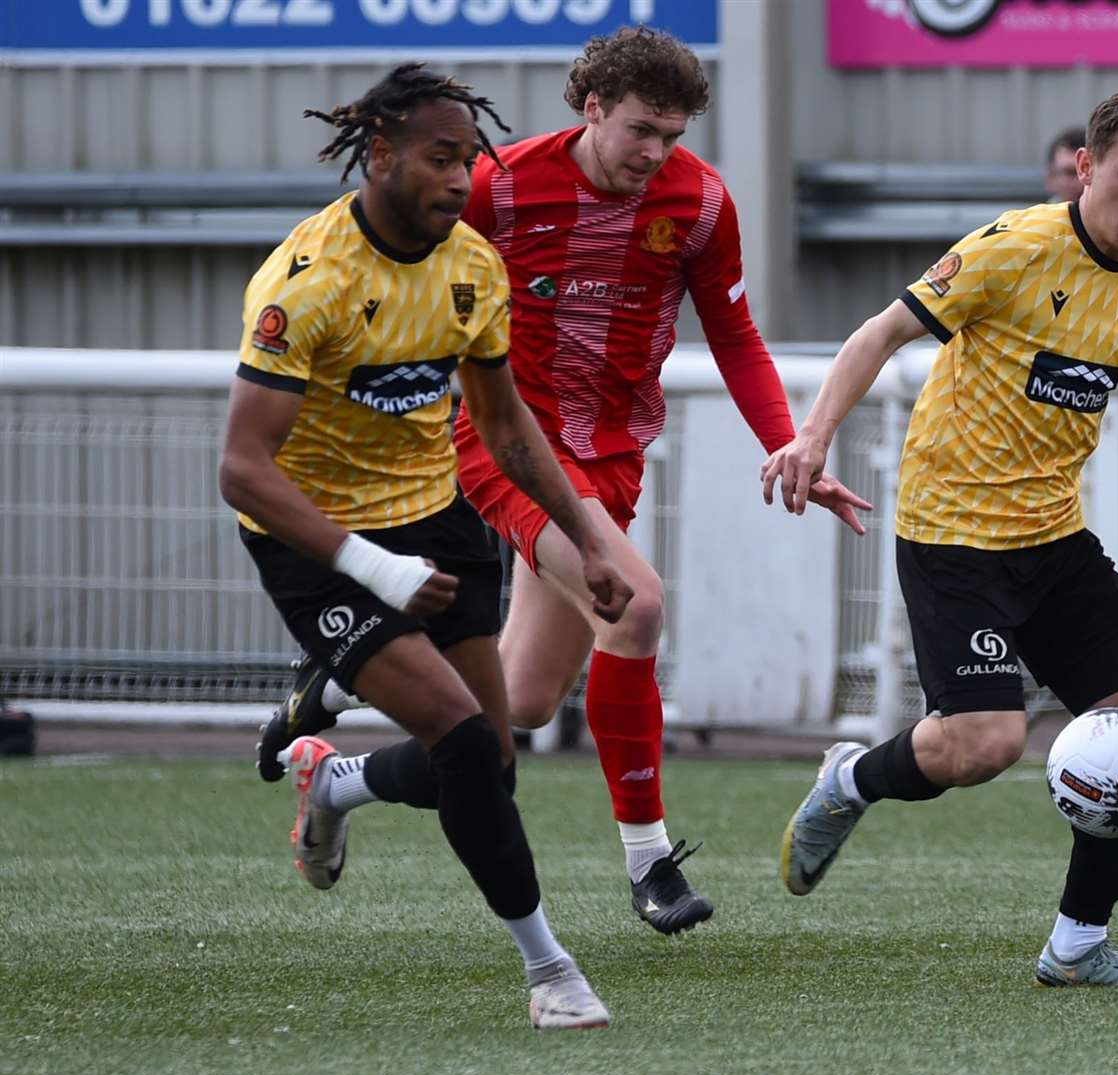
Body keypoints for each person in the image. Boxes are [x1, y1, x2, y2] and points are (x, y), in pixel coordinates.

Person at [255, 27, 871, 937]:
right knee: (639, 607)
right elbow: (410, 278)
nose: (655, 153)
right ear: (590, 109)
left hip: (612, 457)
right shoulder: (500, 184)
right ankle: (649, 859)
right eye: (639, 130)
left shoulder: (700, 204)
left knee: (515, 716)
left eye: (671, 134)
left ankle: (335, 768)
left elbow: (734, 337)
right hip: (510, 445)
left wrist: (790, 445)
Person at [764, 88, 1118, 989]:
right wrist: (811, 437)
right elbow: (878, 334)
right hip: (952, 536)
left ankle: (1075, 946)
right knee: (985, 744)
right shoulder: (1012, 248)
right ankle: (851, 781)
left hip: (1054, 542)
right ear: (1085, 167)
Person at [220, 63, 633, 1030]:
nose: (459, 180)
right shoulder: (306, 283)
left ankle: (337, 779)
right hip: (316, 538)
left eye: (469, 161)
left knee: (488, 763)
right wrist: (368, 566)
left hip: (435, 523)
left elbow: (506, 427)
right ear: (379, 156)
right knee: (456, 734)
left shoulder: (471, 267)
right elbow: (243, 469)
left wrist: (587, 541)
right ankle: (551, 972)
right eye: (440, 159)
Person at [1043, 126, 1087, 203]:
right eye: (1071, 173)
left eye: (1086, 170)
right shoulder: (1037, 215)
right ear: (1050, 178)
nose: (1082, 180)